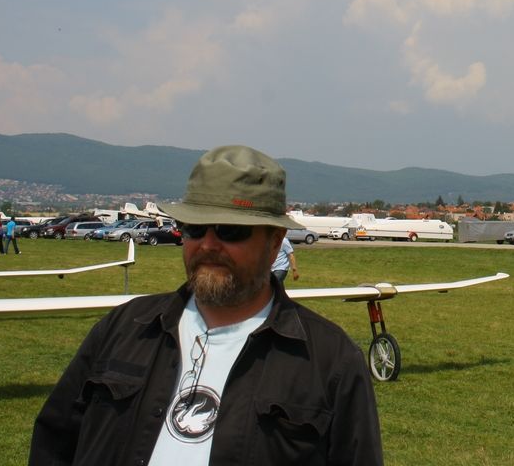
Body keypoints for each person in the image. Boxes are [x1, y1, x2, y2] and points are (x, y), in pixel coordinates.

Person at [30, 145, 383, 465]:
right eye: (194, 228)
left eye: (230, 230)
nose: (208, 244)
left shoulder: (330, 361)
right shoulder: (124, 328)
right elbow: (54, 442)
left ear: (275, 242)